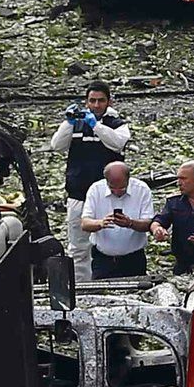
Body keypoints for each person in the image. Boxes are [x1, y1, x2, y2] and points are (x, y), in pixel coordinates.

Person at [48, 82, 129, 278]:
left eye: (101, 100)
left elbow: (117, 143)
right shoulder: (76, 123)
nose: (96, 105)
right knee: (77, 246)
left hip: (107, 195)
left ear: (109, 102)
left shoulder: (117, 124)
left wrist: (97, 126)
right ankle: (82, 286)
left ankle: (108, 279)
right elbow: (57, 145)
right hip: (78, 193)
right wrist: (68, 122)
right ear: (86, 102)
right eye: (92, 101)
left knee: (108, 240)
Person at [80, 161, 155, 279]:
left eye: (122, 188)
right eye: (112, 188)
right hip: (103, 259)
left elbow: (149, 224)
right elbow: (85, 223)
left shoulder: (141, 189)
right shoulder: (96, 190)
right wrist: (100, 223)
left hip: (134, 259)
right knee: (101, 293)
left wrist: (130, 223)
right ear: (106, 181)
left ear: (128, 180)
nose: (117, 191)